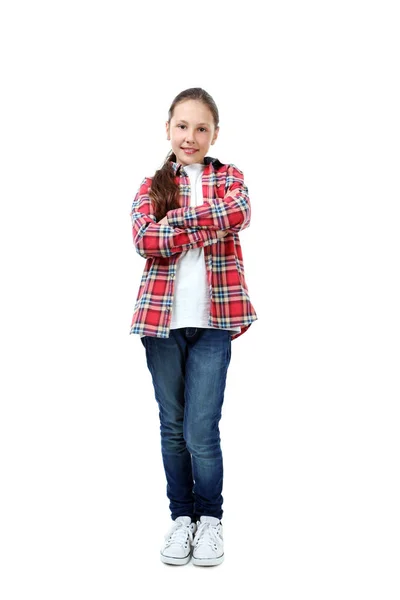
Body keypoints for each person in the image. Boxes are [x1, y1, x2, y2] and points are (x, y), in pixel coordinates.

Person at [129, 87, 258, 566]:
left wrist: (177, 226)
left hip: (215, 322)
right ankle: (181, 519)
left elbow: (239, 211)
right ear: (168, 128)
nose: (191, 136)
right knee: (172, 426)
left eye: (201, 127)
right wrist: (207, 224)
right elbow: (145, 238)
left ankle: (211, 521)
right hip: (161, 322)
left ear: (215, 133)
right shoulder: (151, 185)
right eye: (182, 126)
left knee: (202, 429)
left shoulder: (230, 178)